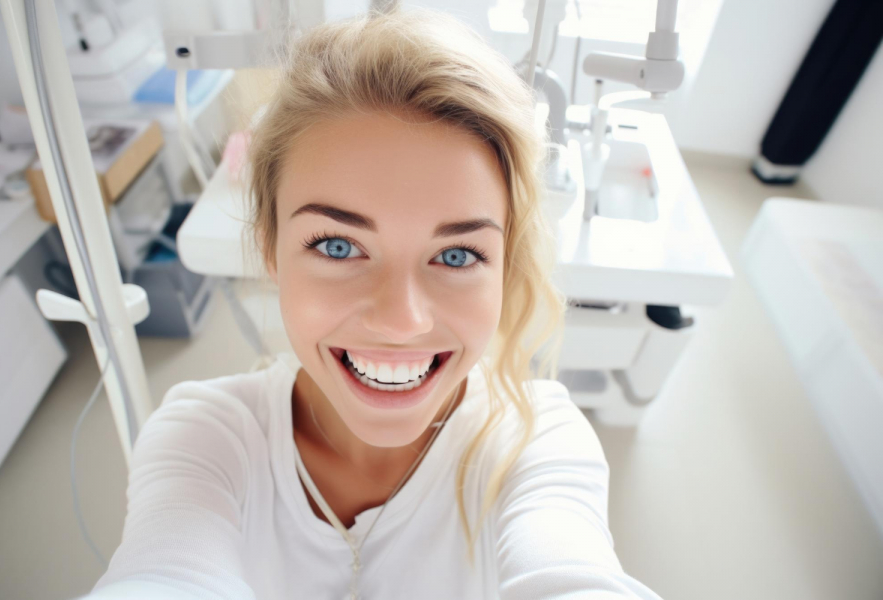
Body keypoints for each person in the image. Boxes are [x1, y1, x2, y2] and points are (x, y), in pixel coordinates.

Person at [81, 7, 663, 600]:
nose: (401, 321)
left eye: (456, 255)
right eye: (338, 246)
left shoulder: (536, 441)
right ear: (271, 248)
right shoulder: (207, 437)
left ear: (504, 265)